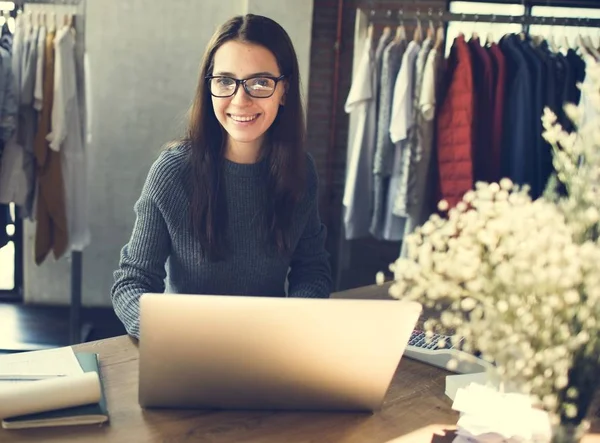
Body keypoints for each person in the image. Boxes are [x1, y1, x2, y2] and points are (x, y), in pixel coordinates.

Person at [111, 14, 332, 338]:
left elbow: (312, 271)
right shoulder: (172, 172)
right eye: (225, 81)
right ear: (209, 84)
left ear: (283, 89)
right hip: (186, 351)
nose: (240, 99)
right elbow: (132, 282)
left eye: (260, 82)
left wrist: (290, 329)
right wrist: (168, 335)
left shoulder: (300, 171)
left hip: (270, 350)